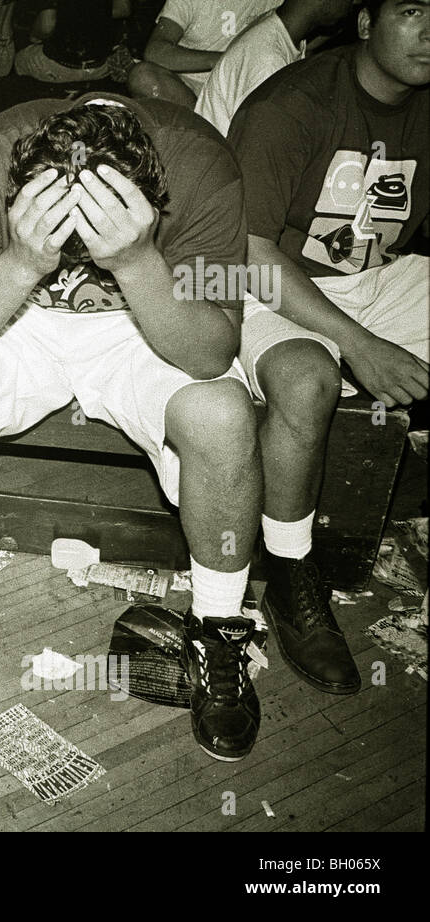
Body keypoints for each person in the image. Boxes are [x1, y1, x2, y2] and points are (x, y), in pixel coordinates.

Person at [0, 96, 266, 762]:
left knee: (222, 415)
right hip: (19, 311)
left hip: (148, 318)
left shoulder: (203, 165)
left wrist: (140, 259)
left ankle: (218, 624)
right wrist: (25, 263)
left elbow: (208, 353)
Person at [226, 0, 428, 695]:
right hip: (260, 281)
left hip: (368, 280)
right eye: (413, 10)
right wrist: (359, 346)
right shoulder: (295, 101)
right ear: (367, 23)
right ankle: (289, 574)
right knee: (309, 379)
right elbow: (246, 252)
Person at [195, 0, 357, 135]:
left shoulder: (279, 29)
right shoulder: (268, 59)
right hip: (225, 161)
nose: (352, 4)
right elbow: (257, 143)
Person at [129, 0, 282, 106]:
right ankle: (203, 128)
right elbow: (156, 51)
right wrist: (223, 60)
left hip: (242, 86)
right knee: (142, 77)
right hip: (187, 88)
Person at [15, 0, 131, 84]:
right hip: (100, 66)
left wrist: (34, 37)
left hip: (58, 67)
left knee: (20, 58)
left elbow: (46, 26)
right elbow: (123, 9)